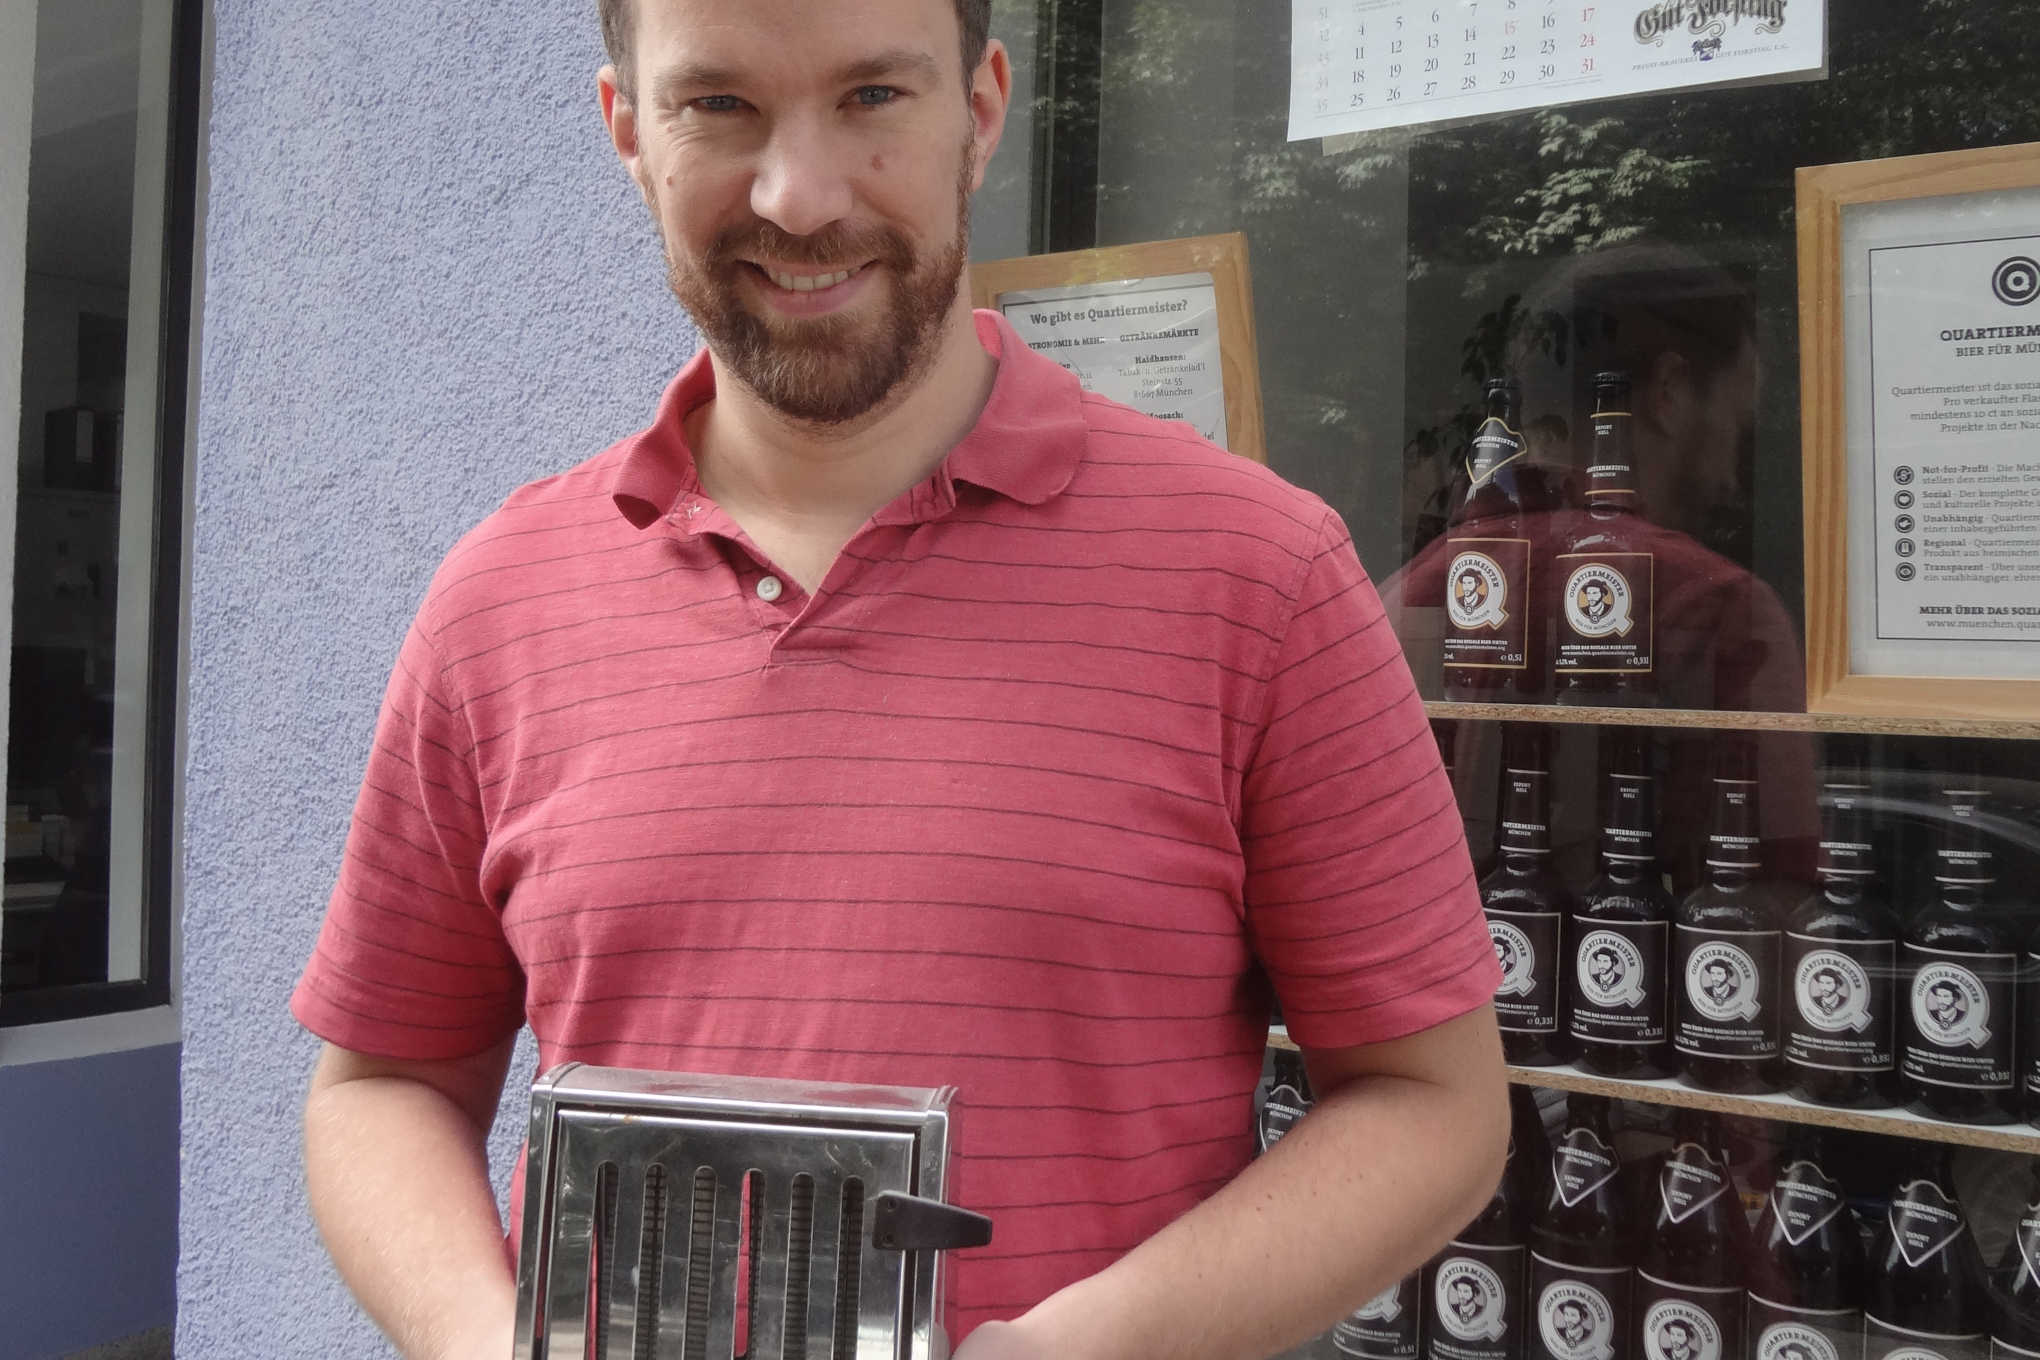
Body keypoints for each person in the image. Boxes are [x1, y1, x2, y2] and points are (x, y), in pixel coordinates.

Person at [291, 1, 1508, 1357]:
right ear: (629, 129)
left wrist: (1083, 1350)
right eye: (719, 106)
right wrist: (479, 1338)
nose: (799, 198)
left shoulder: (1259, 576)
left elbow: (1433, 1103)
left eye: (872, 96)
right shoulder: (499, 598)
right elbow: (382, 1085)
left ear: (980, 111)